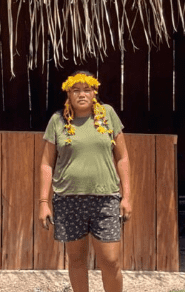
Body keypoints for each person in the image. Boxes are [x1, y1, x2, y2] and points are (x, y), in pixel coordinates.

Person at [38, 71, 132, 292]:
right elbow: (46, 164)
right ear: (68, 94)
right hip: (68, 200)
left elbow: (123, 157)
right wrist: (43, 201)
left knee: (110, 261)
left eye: (86, 89)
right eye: (75, 90)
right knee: (77, 260)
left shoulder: (107, 115)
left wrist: (127, 196)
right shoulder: (57, 121)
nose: (82, 94)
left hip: (105, 199)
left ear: (94, 92)